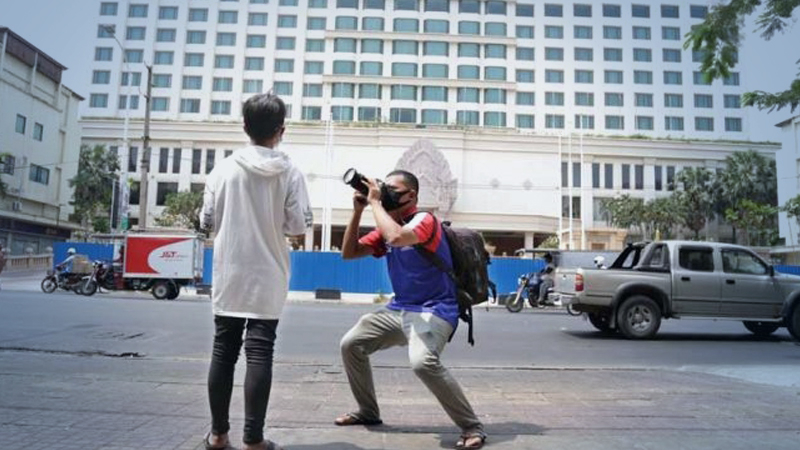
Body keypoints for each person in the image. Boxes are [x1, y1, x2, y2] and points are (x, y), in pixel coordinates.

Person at [337, 170, 487, 450]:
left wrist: (375, 203)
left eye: (392, 190)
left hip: (436, 309)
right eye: (384, 188)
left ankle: (471, 426)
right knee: (351, 344)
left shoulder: (425, 220)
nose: (385, 194)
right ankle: (368, 411)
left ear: (411, 195)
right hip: (399, 309)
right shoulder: (386, 226)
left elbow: (396, 237)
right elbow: (349, 253)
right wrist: (358, 211)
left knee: (422, 363)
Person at [200, 92, 312, 450]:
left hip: (229, 271)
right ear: (282, 130)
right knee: (260, 353)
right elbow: (297, 226)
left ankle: (218, 436)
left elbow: (206, 221)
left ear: (245, 126)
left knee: (223, 351)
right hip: (269, 274)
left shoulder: (222, 169)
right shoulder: (290, 172)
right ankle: (253, 439)